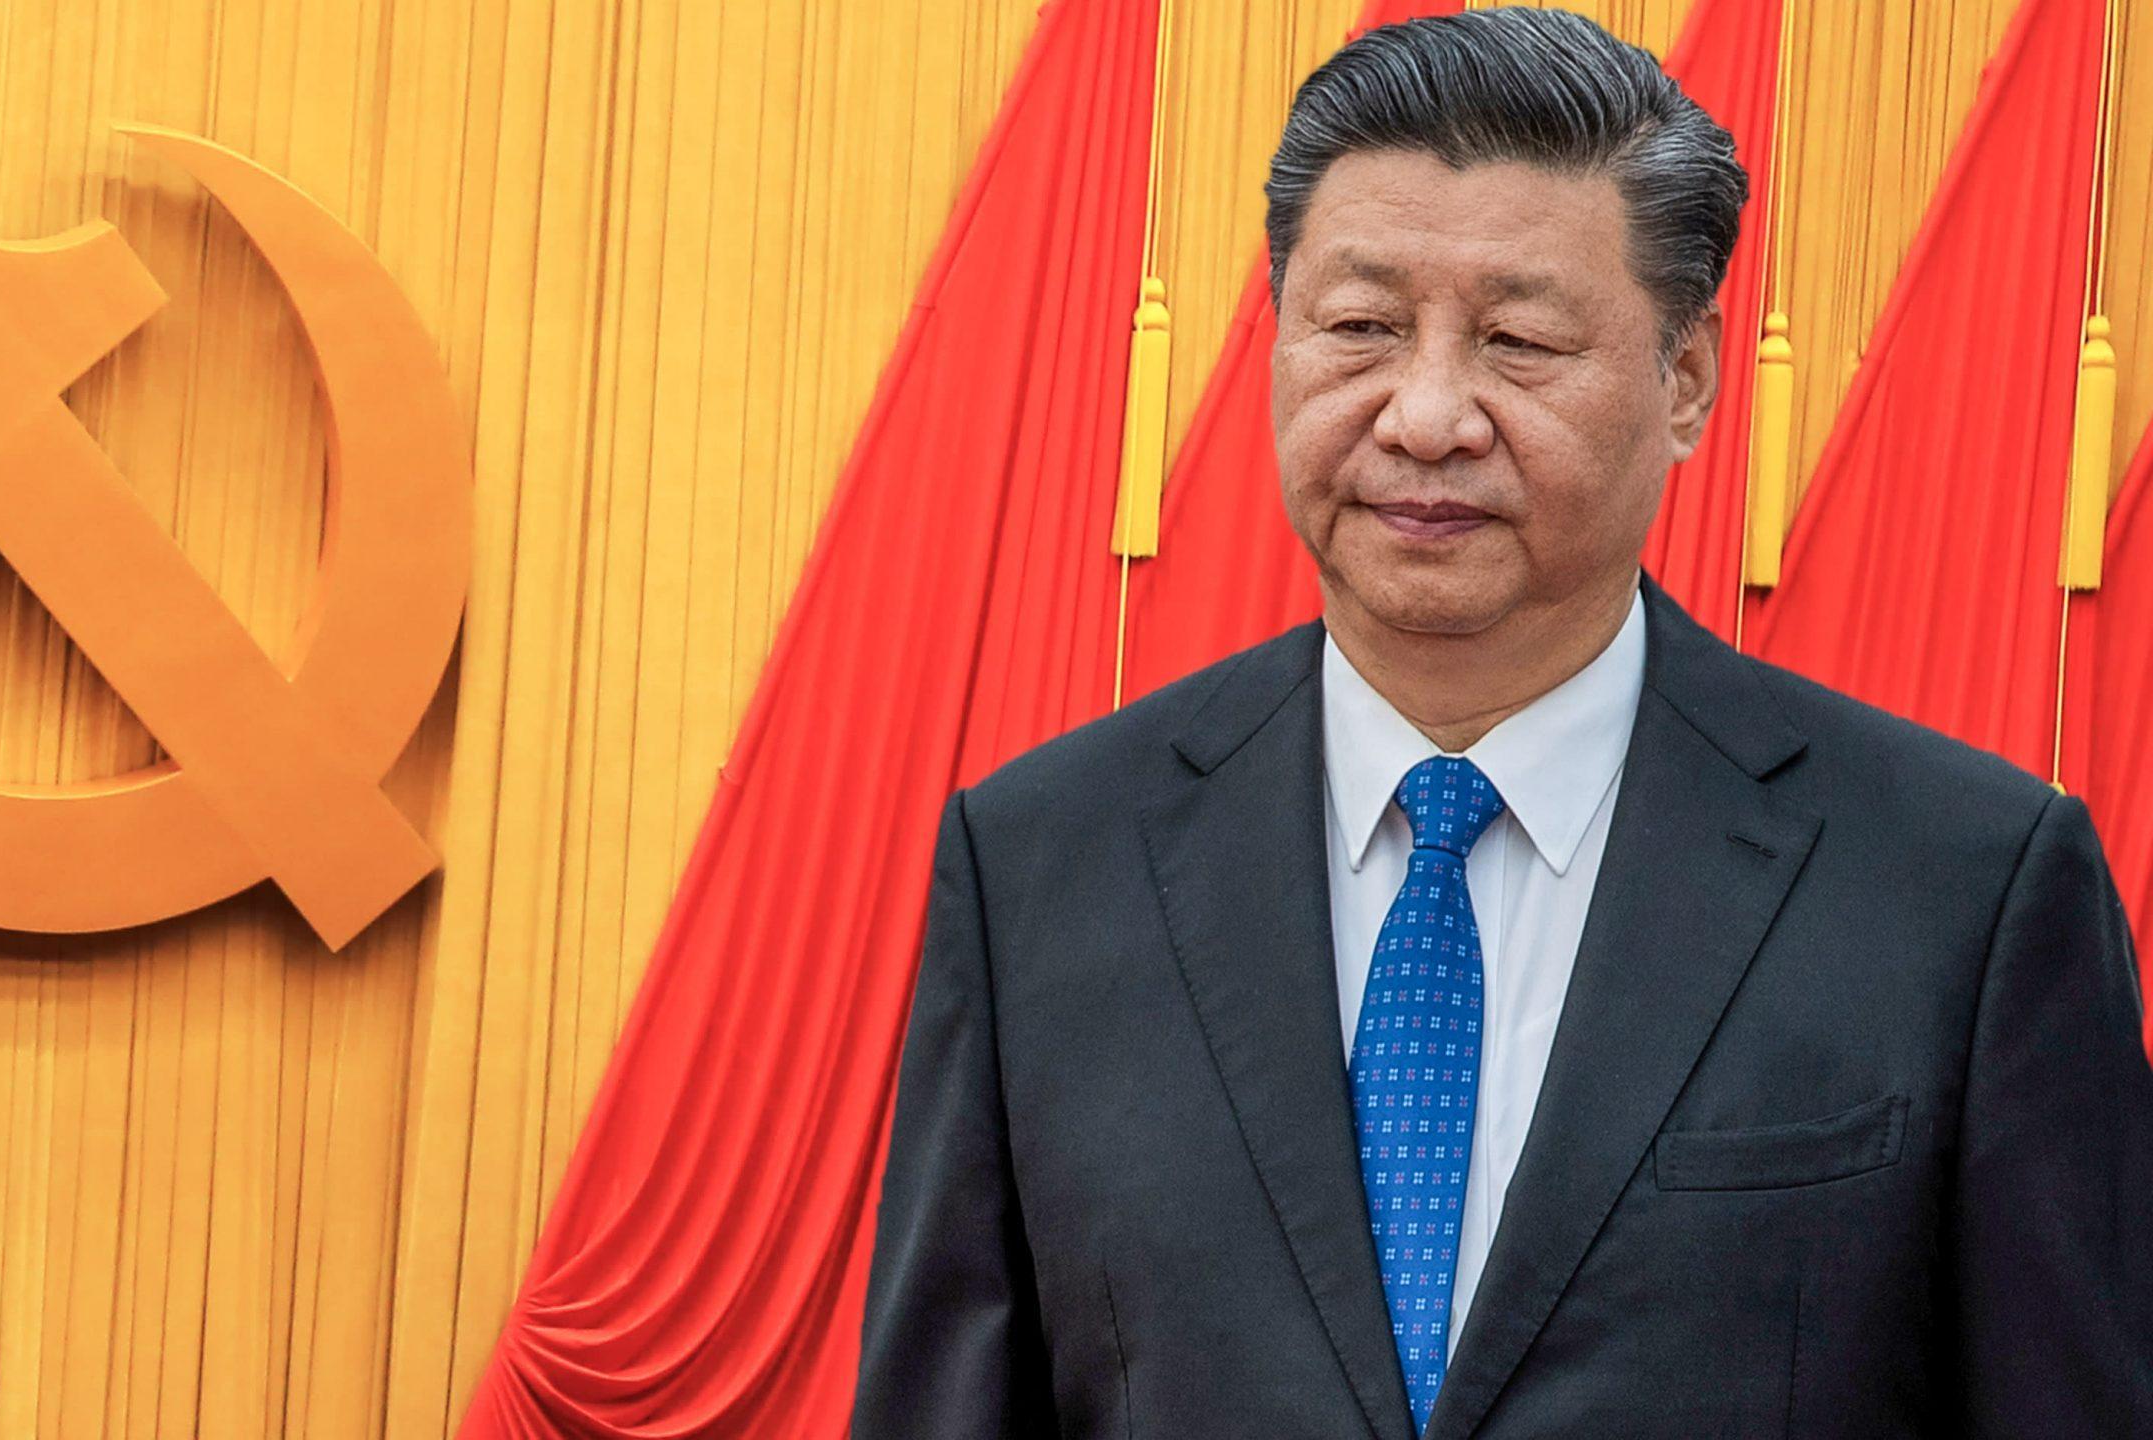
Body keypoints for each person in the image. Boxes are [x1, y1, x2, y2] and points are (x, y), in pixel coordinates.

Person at [850, 8, 2153, 1438]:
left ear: (1686, 381)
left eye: (1519, 341)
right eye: (1360, 328)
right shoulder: (1041, 867)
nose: (1425, 417)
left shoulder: (1964, 891)